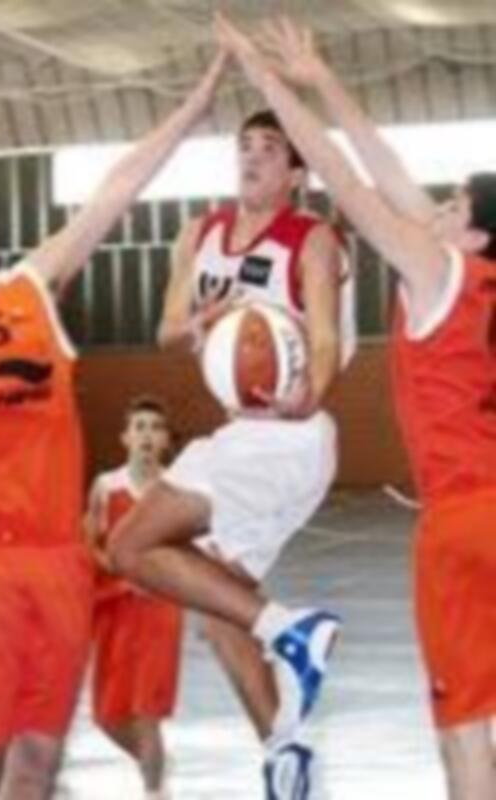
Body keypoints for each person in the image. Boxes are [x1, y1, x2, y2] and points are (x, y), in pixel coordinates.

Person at [0, 50, 227, 800]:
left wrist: (188, 113)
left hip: (54, 559)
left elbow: (114, 191)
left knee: (40, 763)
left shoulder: (29, 294)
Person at [217, 14, 496, 800]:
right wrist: (323, 75)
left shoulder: (438, 271)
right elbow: (390, 165)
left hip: (465, 520)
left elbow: (346, 176)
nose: (435, 205)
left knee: (465, 725)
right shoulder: (476, 279)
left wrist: (267, 80)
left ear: (471, 236)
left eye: (453, 203)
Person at [107, 85, 355, 800]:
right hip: (240, 436)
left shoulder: (311, 238)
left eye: (269, 149)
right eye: (243, 147)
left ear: (295, 175)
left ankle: (293, 630)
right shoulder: (200, 232)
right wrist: (194, 328)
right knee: (219, 615)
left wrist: (306, 390)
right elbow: (165, 330)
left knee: (129, 548)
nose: (251, 158)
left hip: (286, 432)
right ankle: (285, 752)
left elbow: (330, 340)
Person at [85, 396, 182, 800]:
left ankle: (154, 789)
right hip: (114, 608)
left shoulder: (177, 490)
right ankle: (154, 762)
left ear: (164, 441)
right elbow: (89, 543)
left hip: (160, 611)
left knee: (147, 714)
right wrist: (118, 570)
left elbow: (189, 551)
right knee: (107, 717)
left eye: (155, 427)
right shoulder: (106, 487)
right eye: (139, 426)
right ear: (125, 438)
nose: (146, 434)